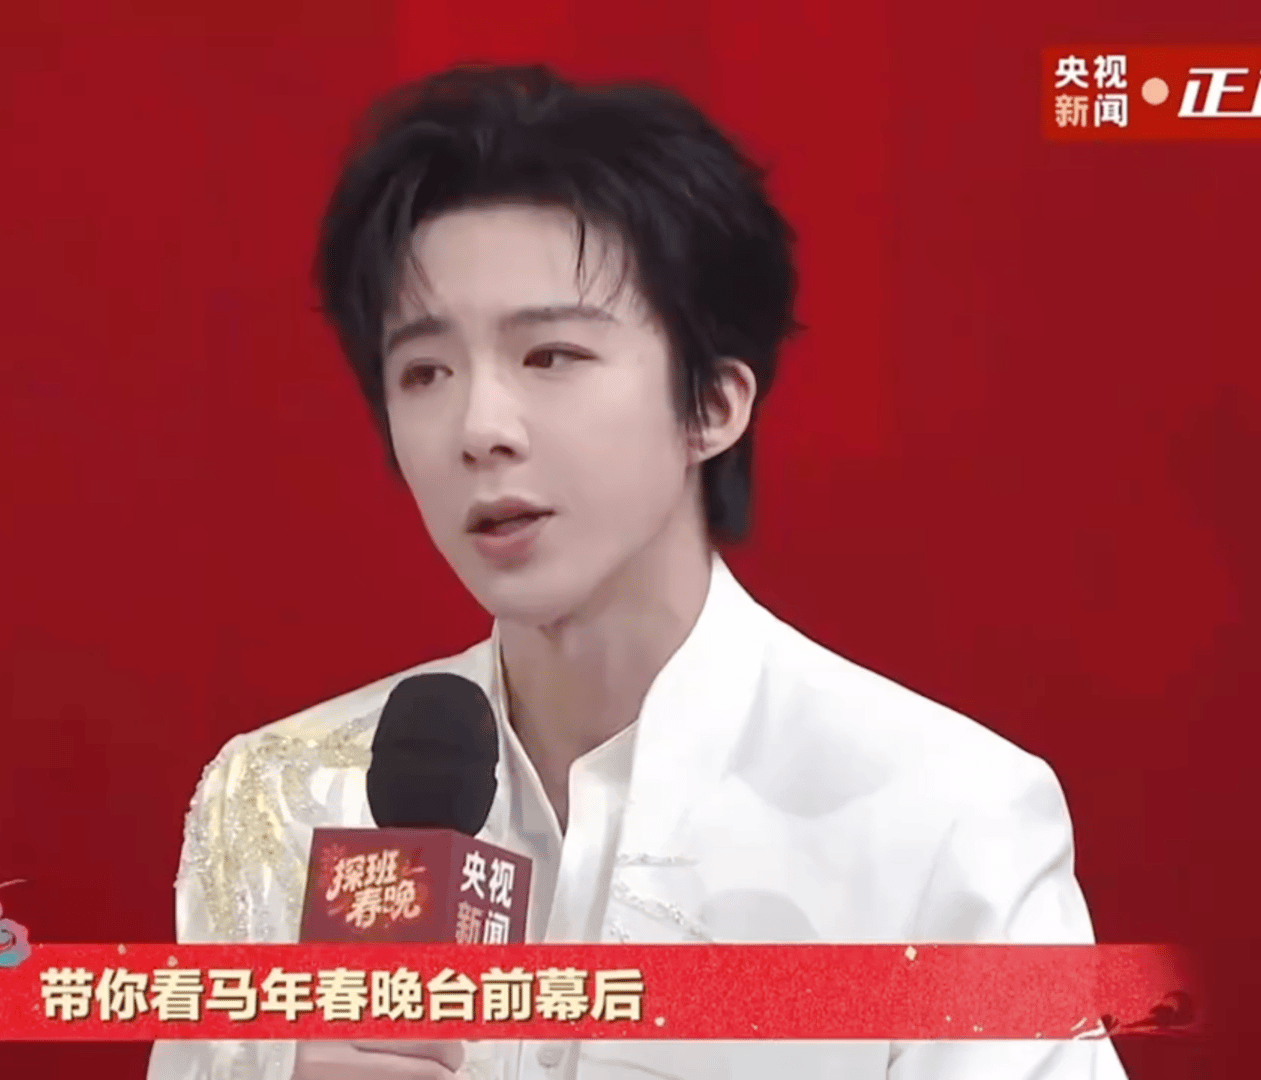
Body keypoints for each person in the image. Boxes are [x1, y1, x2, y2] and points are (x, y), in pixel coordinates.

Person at [148, 64, 1126, 1080]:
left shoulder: (937, 815)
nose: (480, 427)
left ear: (713, 404)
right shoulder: (281, 800)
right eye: (425, 371)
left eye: (550, 356)